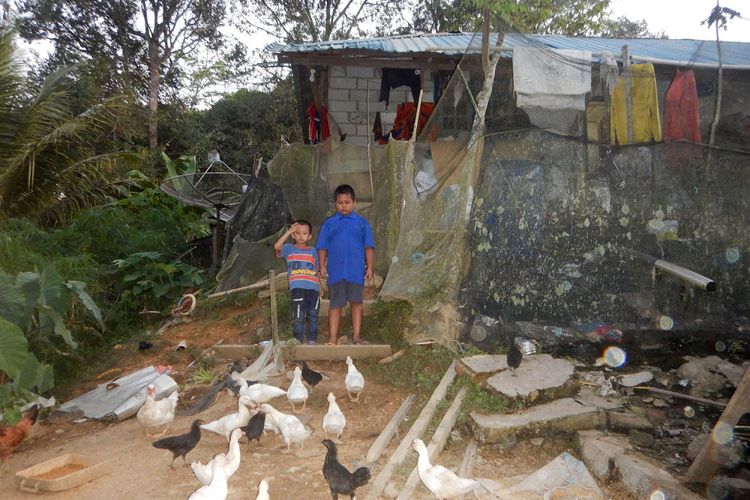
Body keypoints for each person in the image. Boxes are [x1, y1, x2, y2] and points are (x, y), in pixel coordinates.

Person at [317, 184, 375, 345]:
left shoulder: (362, 223)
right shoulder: (329, 223)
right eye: (340, 202)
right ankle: (332, 338)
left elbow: (368, 246)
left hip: (356, 271)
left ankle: (356, 336)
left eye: (347, 202)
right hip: (335, 271)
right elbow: (322, 247)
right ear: (335, 204)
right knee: (335, 304)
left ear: (354, 203)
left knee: (357, 302)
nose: (343, 206)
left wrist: (370, 267)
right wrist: (322, 266)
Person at [274, 220, 321, 345]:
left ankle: (312, 340)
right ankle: (298, 340)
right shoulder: (289, 249)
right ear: (293, 235)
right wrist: (288, 232)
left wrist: (320, 287)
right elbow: (277, 247)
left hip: (313, 288)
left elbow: (316, 269)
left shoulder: (313, 251)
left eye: (304, 233)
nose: (301, 236)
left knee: (313, 315)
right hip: (297, 288)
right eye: (297, 233)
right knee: (299, 316)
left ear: (310, 236)